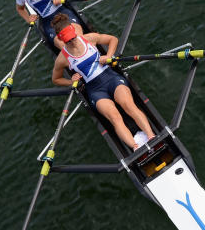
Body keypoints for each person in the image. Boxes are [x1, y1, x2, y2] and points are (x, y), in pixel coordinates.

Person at [50, 14, 155, 151]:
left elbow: (113, 39)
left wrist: (109, 55)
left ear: (74, 32)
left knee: (128, 105)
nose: (73, 41)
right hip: (95, 90)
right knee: (114, 117)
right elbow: (56, 79)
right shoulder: (62, 58)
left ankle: (152, 137)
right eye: (69, 40)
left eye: (73, 37)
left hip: (111, 78)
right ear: (63, 40)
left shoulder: (88, 38)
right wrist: (70, 81)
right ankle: (136, 148)